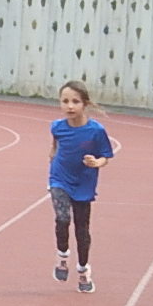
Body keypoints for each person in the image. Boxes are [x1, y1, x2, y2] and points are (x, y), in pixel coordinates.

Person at [48, 79, 113, 293]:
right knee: (62, 218)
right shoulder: (57, 127)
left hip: (84, 183)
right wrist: (53, 158)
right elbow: (55, 146)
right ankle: (62, 257)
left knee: (82, 229)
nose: (69, 106)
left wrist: (96, 162)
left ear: (84, 104)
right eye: (65, 101)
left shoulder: (96, 131)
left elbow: (105, 156)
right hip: (60, 179)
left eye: (75, 101)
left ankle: (83, 270)